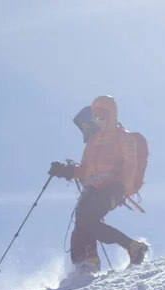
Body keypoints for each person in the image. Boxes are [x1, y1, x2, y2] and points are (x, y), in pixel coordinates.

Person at [48, 95, 149, 274]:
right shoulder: (93, 142)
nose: (98, 121)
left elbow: (130, 165)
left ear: (112, 115)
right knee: (81, 219)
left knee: (86, 218)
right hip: (93, 188)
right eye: (95, 117)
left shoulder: (123, 138)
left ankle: (92, 259)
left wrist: (119, 186)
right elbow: (85, 168)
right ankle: (86, 261)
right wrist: (66, 170)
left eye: (102, 116)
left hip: (112, 188)